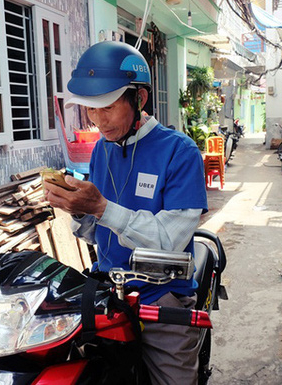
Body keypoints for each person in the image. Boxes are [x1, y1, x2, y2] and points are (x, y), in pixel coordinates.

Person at [44, 41, 207, 385]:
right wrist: (77, 210)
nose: (98, 120)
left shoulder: (180, 152)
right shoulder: (101, 152)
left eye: (107, 107)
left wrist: (100, 207)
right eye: (91, 109)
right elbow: (97, 233)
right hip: (109, 294)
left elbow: (168, 241)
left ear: (139, 99)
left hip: (160, 298)